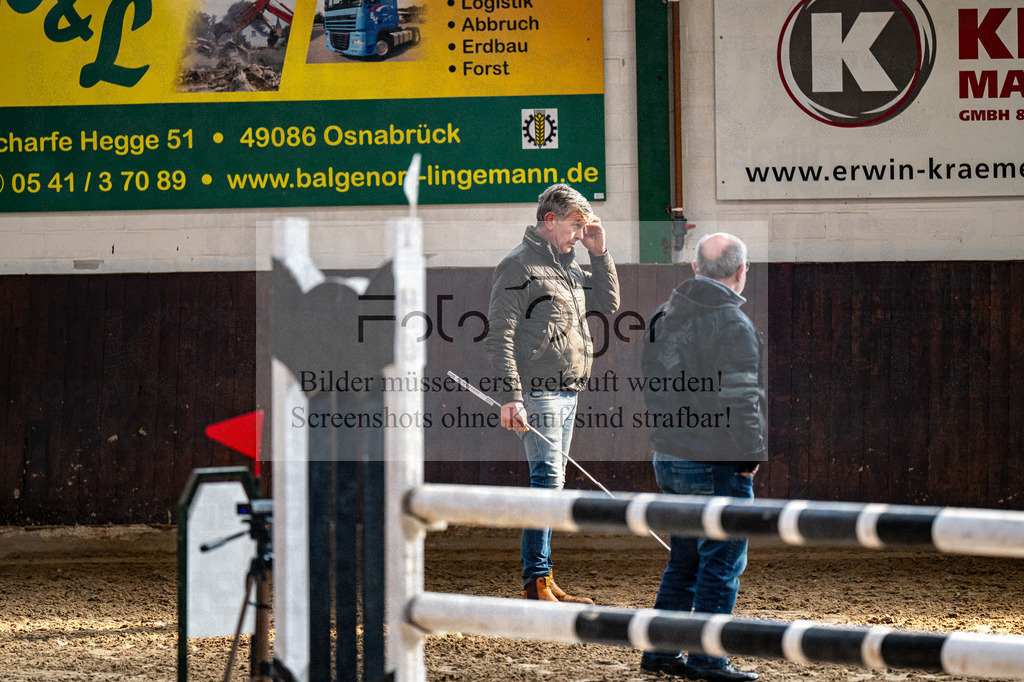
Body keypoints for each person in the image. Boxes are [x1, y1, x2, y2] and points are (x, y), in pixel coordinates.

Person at [484, 183, 620, 603]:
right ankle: (537, 581)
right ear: (550, 221)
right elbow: (499, 336)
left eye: (584, 226)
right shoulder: (518, 266)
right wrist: (512, 396)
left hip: (567, 389)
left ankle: (542, 578)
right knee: (546, 482)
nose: (580, 233)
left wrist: (600, 253)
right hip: (539, 391)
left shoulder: (569, 265)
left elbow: (609, 303)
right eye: (576, 225)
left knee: (551, 484)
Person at [639, 233, 764, 681]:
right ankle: (708, 659)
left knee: (685, 557)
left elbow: (651, 384)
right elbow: (742, 398)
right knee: (722, 559)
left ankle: (659, 651)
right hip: (716, 462)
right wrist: (750, 454)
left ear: (694, 269)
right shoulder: (733, 325)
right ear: (740, 272)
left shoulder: (659, 316)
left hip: (670, 455)